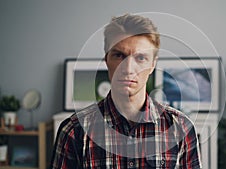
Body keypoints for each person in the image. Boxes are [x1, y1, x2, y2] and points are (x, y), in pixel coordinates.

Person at [51, 13, 202, 169]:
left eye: (140, 58)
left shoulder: (181, 128)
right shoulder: (74, 130)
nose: (128, 69)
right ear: (106, 59)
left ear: (152, 65)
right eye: (118, 55)